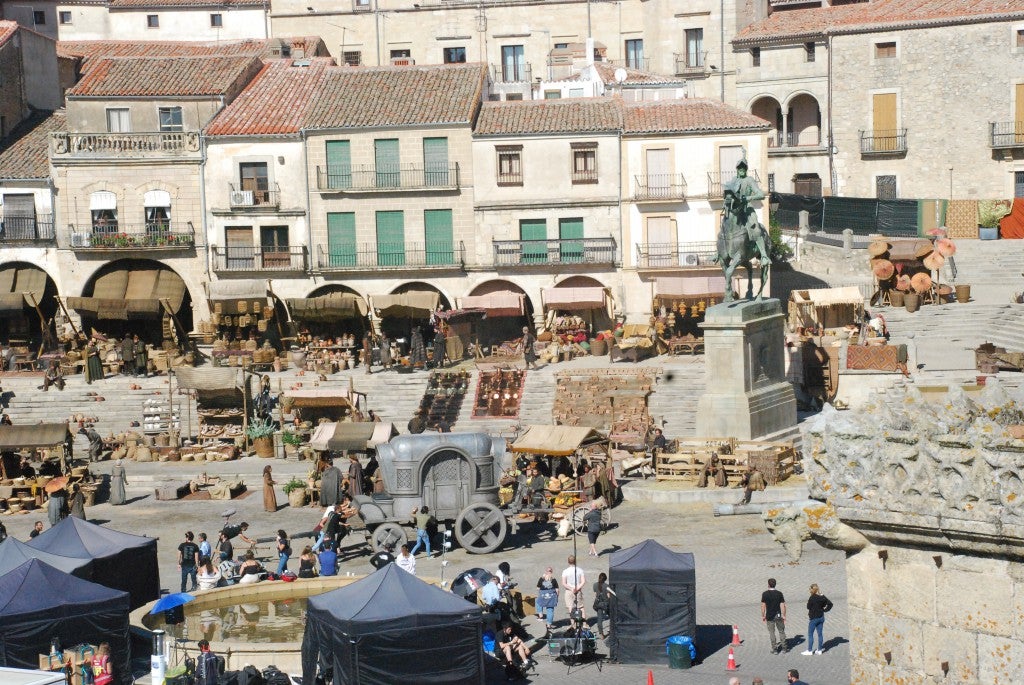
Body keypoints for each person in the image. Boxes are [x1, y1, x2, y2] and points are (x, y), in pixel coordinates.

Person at [722, 158, 769, 263]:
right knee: (725, 225)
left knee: (756, 229)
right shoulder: (734, 180)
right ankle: (719, 252)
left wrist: (748, 198)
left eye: (743, 167)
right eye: (740, 167)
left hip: (746, 208)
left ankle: (764, 255)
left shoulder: (749, 180)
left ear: (746, 169)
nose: (742, 169)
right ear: (737, 169)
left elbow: (761, 194)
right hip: (735, 208)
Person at [801, 583, 833, 655]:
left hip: (813, 619)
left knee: (810, 634)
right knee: (820, 634)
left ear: (812, 590)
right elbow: (830, 604)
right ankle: (819, 650)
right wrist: (825, 610)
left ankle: (809, 650)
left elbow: (808, 607)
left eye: (810, 589)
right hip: (821, 617)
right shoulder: (822, 597)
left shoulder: (812, 598)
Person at [761, 577, 788, 654]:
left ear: (768, 585)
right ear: (775, 584)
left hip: (769, 616)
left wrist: (763, 615)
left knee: (772, 632)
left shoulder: (765, 594)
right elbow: (783, 605)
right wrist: (784, 615)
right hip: (778, 615)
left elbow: (763, 605)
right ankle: (784, 648)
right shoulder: (779, 593)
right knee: (781, 631)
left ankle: (774, 649)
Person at [535, 567, 559, 633]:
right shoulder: (553, 580)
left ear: (546, 571)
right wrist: (557, 597)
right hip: (551, 596)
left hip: (543, 596)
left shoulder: (542, 579)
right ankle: (549, 624)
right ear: (552, 572)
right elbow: (557, 589)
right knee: (550, 610)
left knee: (538, 602)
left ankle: (541, 616)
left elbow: (538, 588)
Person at [592, 571, 611, 638]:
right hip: (606, 604)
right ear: (605, 579)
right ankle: (611, 629)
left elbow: (596, 595)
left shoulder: (595, 585)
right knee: (612, 616)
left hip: (598, 604)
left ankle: (601, 634)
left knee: (599, 619)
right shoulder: (607, 586)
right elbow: (609, 596)